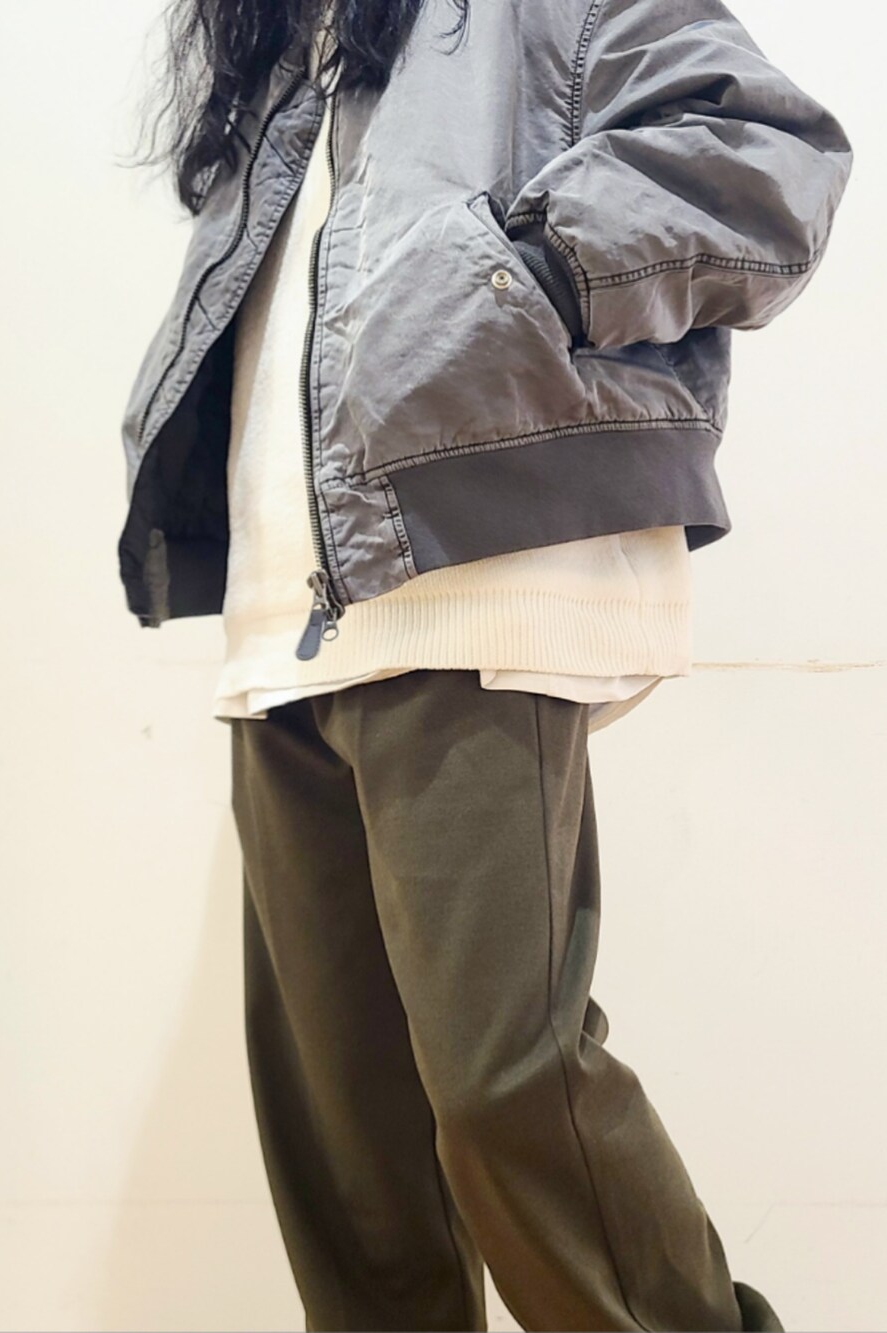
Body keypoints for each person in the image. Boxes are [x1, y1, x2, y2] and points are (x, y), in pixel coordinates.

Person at [118, 1, 853, 1327]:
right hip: (282, 625)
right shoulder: (286, 42)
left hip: (474, 581)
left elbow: (767, 151)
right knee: (350, 1158)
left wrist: (534, 268)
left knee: (505, 1088)